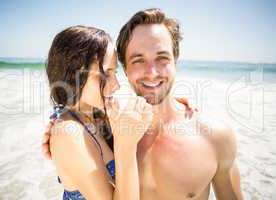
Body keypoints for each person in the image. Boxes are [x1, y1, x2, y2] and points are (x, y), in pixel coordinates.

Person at [44, 8, 243, 200]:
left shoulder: (216, 137)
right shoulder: (110, 127)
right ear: (125, 67)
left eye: (162, 58)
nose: (152, 72)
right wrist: (58, 124)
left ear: (176, 61)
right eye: (138, 60)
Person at [44, 25, 195, 200]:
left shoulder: (96, 114)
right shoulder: (68, 134)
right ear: (73, 75)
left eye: (114, 72)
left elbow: (141, 110)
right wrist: (126, 146)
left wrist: (173, 105)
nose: (116, 84)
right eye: (106, 73)